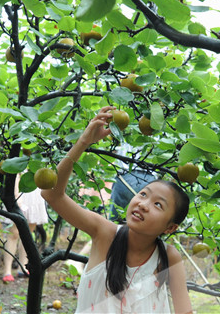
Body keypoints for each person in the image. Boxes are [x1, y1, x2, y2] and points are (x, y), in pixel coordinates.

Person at [41, 106, 193, 314]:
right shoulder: (104, 233)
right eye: (143, 194)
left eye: (158, 204)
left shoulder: (167, 256)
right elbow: (52, 194)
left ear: (170, 227)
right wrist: (83, 143)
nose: (143, 204)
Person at [2, 175, 48, 282]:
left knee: (27, 233)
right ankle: (7, 271)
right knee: (14, 233)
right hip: (20, 191)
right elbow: (15, 172)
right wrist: (16, 194)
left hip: (35, 193)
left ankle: (23, 267)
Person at [109, 143, 156, 221]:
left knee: (115, 221)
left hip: (124, 177)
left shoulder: (124, 132)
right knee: (141, 222)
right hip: (149, 180)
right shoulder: (160, 133)